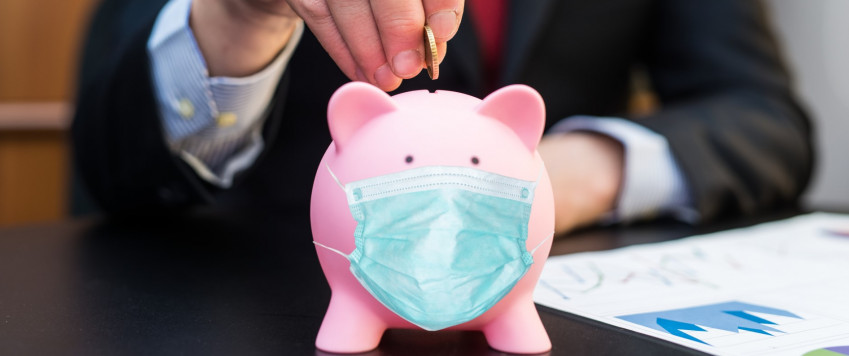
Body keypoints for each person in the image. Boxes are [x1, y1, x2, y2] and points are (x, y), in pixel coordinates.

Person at [72, 0, 813, 234]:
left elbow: (763, 118)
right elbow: (115, 165)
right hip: (256, 299)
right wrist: (236, 13)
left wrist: (580, 171)